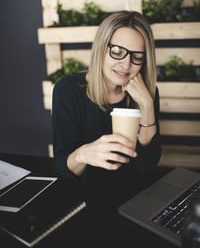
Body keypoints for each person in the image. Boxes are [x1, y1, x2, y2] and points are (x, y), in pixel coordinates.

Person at [52, 11, 161, 193]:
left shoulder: (146, 94)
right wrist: (82, 154)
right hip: (85, 195)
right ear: (101, 49)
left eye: (137, 57)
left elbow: (147, 167)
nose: (126, 65)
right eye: (117, 52)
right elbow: (63, 167)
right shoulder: (68, 91)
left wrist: (147, 105)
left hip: (135, 195)